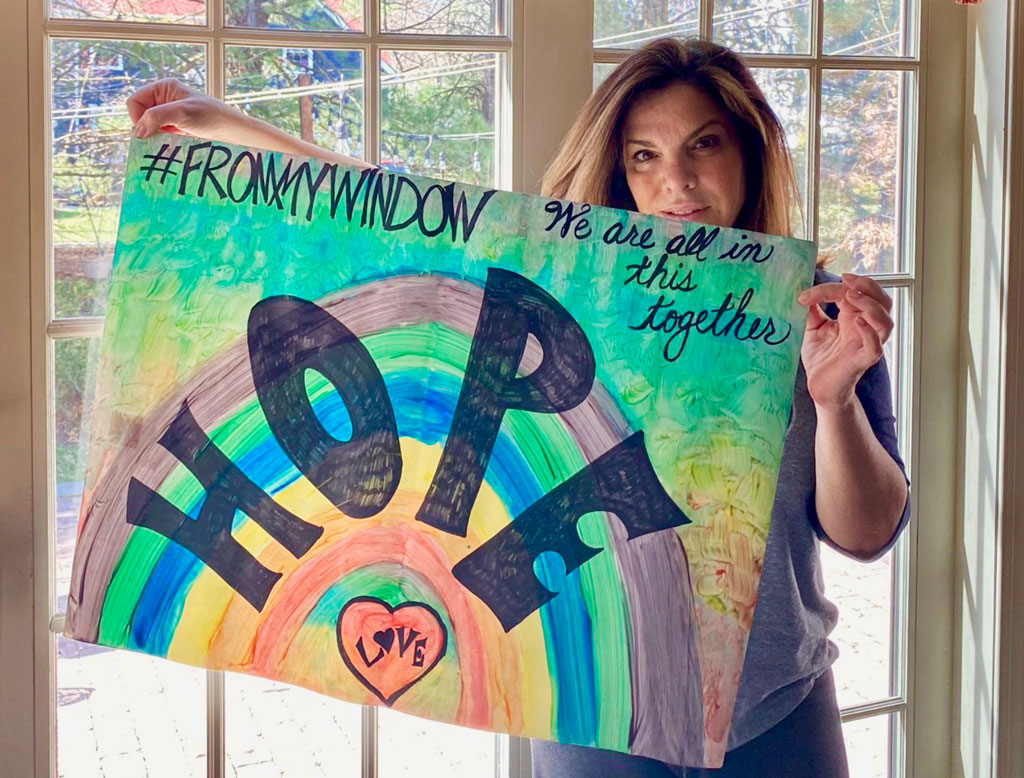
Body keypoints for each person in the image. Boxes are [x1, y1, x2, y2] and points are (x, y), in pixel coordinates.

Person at [126, 37, 910, 778]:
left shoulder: (819, 315)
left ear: (749, 151)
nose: (676, 182)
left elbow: (867, 534)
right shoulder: (567, 286)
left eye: (703, 145)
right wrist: (220, 124)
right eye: (644, 155)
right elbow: (390, 214)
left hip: (774, 709)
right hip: (589, 699)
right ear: (618, 169)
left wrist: (834, 399)